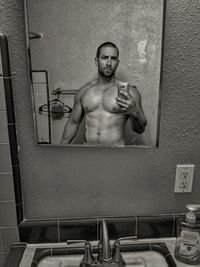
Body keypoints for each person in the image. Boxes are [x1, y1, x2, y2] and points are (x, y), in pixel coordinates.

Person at [61, 42, 147, 146]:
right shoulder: (84, 91)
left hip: (115, 154)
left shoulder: (129, 92)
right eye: (104, 57)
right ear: (97, 61)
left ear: (117, 62)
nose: (109, 63)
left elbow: (140, 130)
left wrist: (135, 112)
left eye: (113, 58)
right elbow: (72, 124)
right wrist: (60, 151)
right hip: (88, 152)